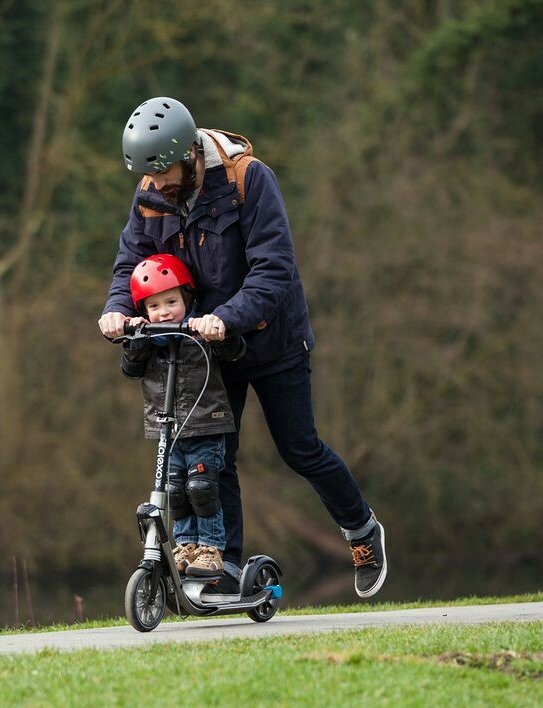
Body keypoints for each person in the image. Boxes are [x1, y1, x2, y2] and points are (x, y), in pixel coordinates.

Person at [99, 96, 387, 598]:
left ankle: (362, 531)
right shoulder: (150, 193)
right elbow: (133, 262)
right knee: (215, 457)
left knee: (300, 449)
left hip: (271, 339)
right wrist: (117, 309)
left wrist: (224, 318)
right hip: (206, 349)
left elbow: (273, 269)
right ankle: (224, 566)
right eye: (150, 176)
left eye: (165, 173)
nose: (158, 186)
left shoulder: (249, 180)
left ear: (190, 153)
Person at [120, 253, 246, 577]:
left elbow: (234, 351)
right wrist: (132, 337)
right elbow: (131, 368)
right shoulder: (147, 341)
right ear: (144, 312)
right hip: (169, 429)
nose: (164, 311)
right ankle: (185, 545)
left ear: (186, 298)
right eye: (155, 306)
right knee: (175, 492)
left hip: (205, 424)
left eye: (171, 301)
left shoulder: (198, 330)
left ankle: (211, 549)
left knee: (201, 488)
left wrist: (217, 329)